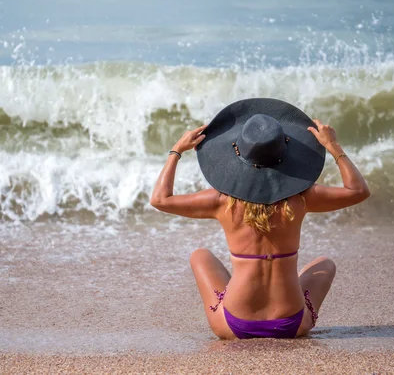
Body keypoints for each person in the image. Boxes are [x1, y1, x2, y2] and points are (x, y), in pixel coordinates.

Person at [150, 98, 370, 339]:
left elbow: (160, 199)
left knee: (199, 255)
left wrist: (176, 151)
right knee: (325, 264)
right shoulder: (301, 198)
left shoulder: (221, 201)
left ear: (237, 152)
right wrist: (333, 146)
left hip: (234, 326)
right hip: (292, 326)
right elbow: (358, 191)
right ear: (285, 153)